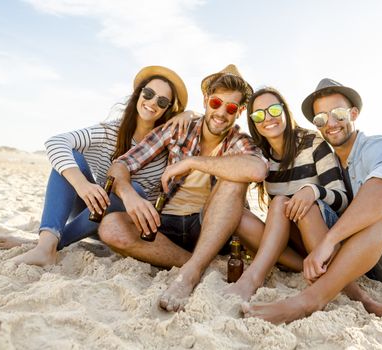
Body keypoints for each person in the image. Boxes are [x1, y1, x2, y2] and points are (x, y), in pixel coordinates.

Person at [243, 78, 382, 324]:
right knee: (300, 206)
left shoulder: (377, 146)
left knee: (380, 203)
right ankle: (350, 290)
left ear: (354, 113)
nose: (330, 123)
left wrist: (329, 241)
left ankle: (310, 300)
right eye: (322, 119)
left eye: (338, 114)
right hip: (362, 264)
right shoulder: (328, 157)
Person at [98, 64, 268, 312]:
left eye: (231, 108)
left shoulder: (239, 141)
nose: (221, 113)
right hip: (167, 222)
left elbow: (257, 169)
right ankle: (195, 263)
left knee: (235, 176)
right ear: (206, 100)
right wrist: (129, 194)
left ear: (240, 111)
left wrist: (192, 161)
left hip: (211, 226)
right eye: (216, 103)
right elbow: (122, 164)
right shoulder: (180, 128)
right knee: (110, 227)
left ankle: (190, 273)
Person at [0, 65, 191, 267]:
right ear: (138, 94)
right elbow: (56, 142)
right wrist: (82, 185)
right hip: (91, 214)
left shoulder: (168, 140)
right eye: (148, 93)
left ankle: (46, 244)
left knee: (135, 189)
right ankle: (45, 247)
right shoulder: (111, 131)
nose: (152, 102)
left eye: (162, 101)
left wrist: (189, 114)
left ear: (168, 109)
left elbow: (208, 124)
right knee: (72, 158)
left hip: (125, 222)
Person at [225, 87, 382, 320]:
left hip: (323, 231)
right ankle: (310, 272)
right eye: (258, 115)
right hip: (295, 241)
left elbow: (343, 198)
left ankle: (253, 279)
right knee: (242, 215)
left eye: (274, 110)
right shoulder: (263, 159)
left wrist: (312, 191)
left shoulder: (312, 142)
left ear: (285, 111)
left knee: (286, 204)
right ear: (253, 123)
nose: (267, 118)